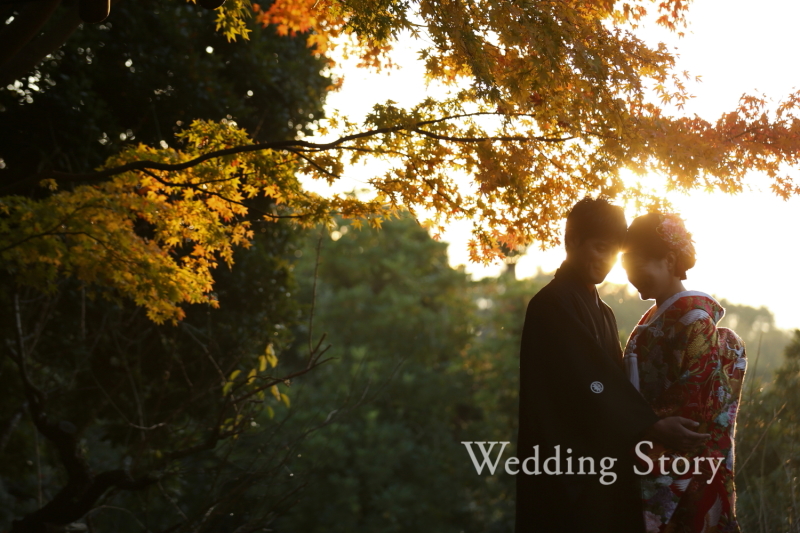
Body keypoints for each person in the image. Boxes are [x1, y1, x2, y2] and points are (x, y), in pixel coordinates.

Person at [515, 197, 711, 533]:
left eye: (613, 253)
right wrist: (651, 424)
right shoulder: (551, 303)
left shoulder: (602, 310)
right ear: (571, 241)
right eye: (599, 248)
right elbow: (591, 380)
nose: (605, 262)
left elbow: (612, 380)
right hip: (563, 465)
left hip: (601, 466)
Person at [621, 212, 747, 533]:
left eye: (638, 267)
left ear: (669, 259)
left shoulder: (693, 318)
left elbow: (693, 405)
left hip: (680, 468)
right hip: (647, 448)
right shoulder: (657, 316)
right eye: (627, 269)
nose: (632, 278)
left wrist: (646, 424)